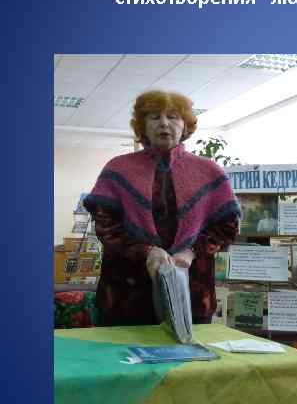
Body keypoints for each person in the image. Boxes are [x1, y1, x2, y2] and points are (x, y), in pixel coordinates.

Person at [83, 90, 240, 326]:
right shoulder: (118, 169)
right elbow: (107, 227)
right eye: (155, 117)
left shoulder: (209, 172)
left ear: (185, 125)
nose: (164, 123)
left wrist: (191, 251)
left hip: (191, 291)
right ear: (142, 126)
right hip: (126, 292)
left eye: (173, 117)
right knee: (124, 349)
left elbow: (227, 227)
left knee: (188, 349)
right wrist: (146, 251)